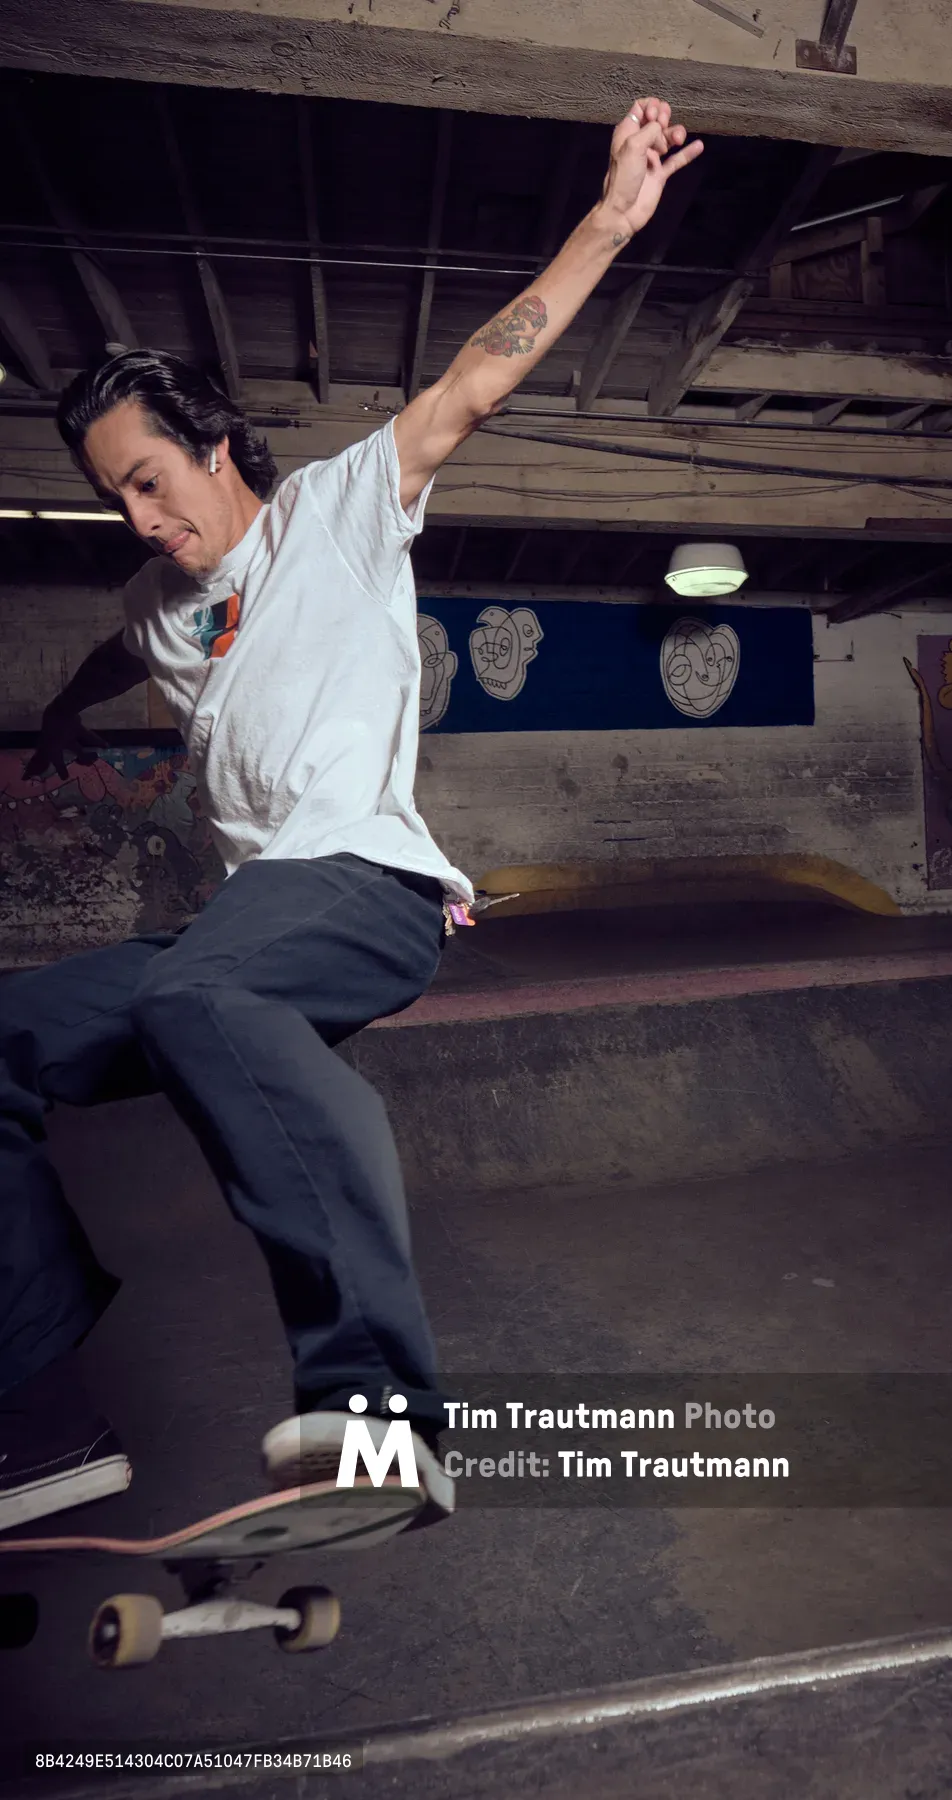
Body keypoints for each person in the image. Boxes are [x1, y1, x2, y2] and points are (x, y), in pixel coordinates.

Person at [0, 99, 702, 1531]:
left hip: (364, 890)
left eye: (147, 482)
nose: (139, 518)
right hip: (248, 933)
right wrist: (68, 714)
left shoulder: (338, 506)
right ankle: (41, 1413)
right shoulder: (157, 607)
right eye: (112, 499)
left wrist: (612, 220)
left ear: (212, 444)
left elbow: (474, 385)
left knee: (202, 992)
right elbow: (108, 646)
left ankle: (380, 1429)